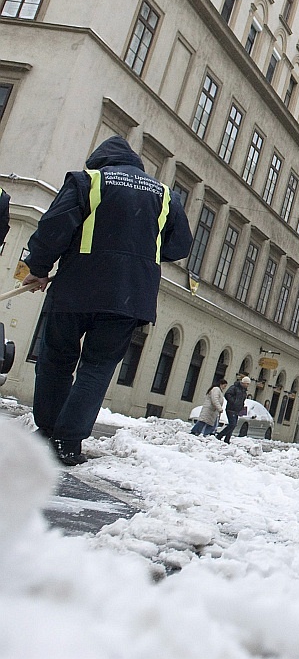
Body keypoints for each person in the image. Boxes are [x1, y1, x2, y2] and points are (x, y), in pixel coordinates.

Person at [22, 135, 192, 466]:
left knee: (56, 360)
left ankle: (47, 432)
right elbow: (179, 246)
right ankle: (69, 443)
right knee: (97, 368)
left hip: (76, 288)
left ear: (100, 161)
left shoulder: (87, 181)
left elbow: (54, 226)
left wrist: (39, 268)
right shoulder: (164, 195)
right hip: (128, 298)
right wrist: (140, 249)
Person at [215, 375, 251, 443]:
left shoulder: (244, 391)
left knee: (233, 425)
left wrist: (241, 406)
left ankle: (227, 439)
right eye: (247, 383)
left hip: (237, 410)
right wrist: (233, 402)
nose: (248, 385)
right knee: (232, 424)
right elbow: (227, 394)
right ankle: (220, 435)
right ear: (243, 382)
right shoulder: (234, 387)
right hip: (231, 409)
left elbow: (242, 400)